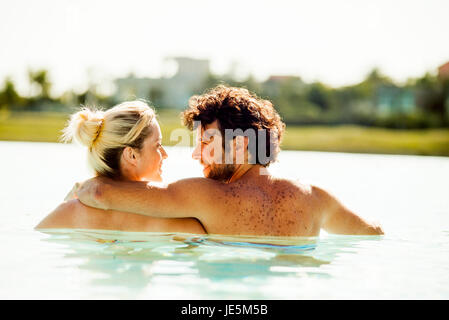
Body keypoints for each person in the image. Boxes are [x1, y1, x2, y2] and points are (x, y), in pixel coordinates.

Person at [74, 86, 384, 237]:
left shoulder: (204, 196)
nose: (196, 154)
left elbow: (100, 195)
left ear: (238, 145)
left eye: (207, 143)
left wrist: (80, 187)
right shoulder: (317, 199)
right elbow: (374, 234)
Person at [35, 101, 206, 234]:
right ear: (131, 155)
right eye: (157, 145)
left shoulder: (68, 213)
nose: (165, 154)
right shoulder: (180, 223)